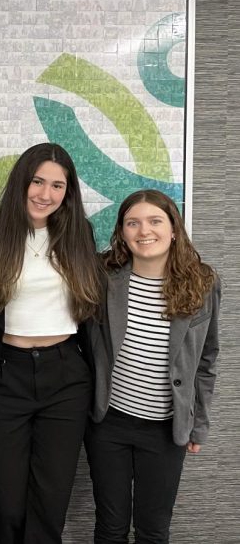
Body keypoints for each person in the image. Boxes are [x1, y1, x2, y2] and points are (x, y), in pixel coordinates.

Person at [0, 142, 103, 544]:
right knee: (8, 503)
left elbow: (93, 299)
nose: (46, 194)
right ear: (22, 181)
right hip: (4, 375)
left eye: (57, 186)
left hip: (66, 376)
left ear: (69, 192)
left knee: (51, 500)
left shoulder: (80, 234)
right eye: (38, 181)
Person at [86, 189, 220, 543]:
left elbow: (206, 360)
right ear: (122, 232)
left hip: (165, 429)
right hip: (108, 423)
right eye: (133, 223)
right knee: (111, 526)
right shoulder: (104, 277)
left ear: (174, 228)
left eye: (154, 221)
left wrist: (199, 425)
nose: (144, 230)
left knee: (153, 529)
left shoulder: (203, 283)